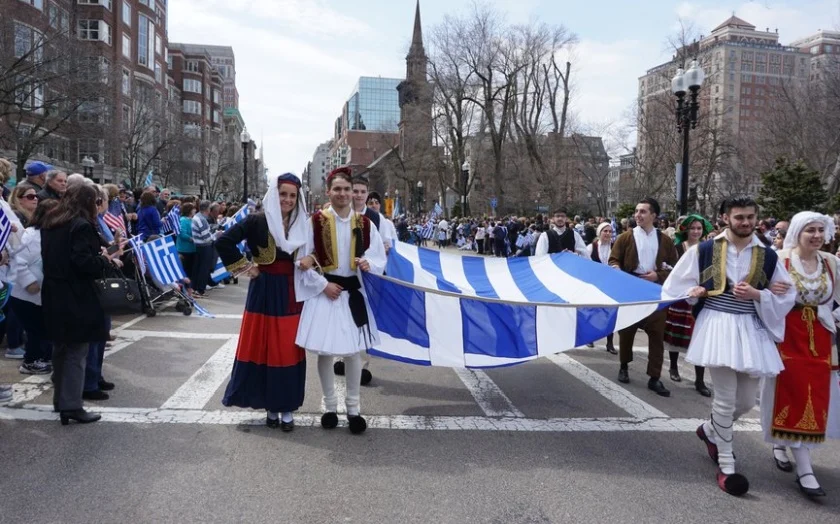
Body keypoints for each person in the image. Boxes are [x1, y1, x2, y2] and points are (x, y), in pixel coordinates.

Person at [662, 196, 795, 496]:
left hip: (752, 330)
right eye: (739, 217)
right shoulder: (703, 250)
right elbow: (673, 287)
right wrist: (694, 291)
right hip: (717, 325)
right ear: (725, 218)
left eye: (750, 217)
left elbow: (788, 295)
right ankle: (726, 465)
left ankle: (710, 430)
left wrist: (760, 295)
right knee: (724, 398)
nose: (745, 222)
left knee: (746, 401)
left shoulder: (768, 255)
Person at [295, 166, 387, 434]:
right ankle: (329, 405)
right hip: (326, 292)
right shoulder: (316, 221)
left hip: (353, 294)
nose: (343, 193)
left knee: (352, 352)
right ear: (329, 192)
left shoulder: (365, 223)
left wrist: (369, 263)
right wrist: (323, 285)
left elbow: (378, 256)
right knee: (325, 351)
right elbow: (303, 259)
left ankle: (354, 408)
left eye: (347, 189)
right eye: (337, 189)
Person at [217, 173, 312, 431]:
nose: (287, 200)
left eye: (292, 195)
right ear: (274, 194)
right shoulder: (257, 220)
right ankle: (270, 407)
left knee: (288, 349)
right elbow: (223, 241)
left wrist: (311, 260)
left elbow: (316, 253)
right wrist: (246, 267)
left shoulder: (304, 224)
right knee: (264, 347)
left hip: (292, 292)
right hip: (263, 292)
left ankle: (287, 408)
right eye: (283, 194)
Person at [760, 211, 840, 498]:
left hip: (820, 337)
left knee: (814, 396)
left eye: (820, 230)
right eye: (810, 230)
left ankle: (786, 446)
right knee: (790, 393)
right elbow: (758, 292)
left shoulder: (830, 263)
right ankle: (804, 468)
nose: (817, 235)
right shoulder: (779, 259)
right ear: (797, 232)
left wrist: (835, 316)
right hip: (786, 334)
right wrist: (769, 290)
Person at [41, 184, 124, 425]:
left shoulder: (51, 221)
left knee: (61, 348)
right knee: (77, 351)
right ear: (88, 202)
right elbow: (84, 263)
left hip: (53, 290)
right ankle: (72, 405)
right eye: (96, 201)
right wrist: (104, 259)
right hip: (76, 294)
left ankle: (61, 400)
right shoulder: (81, 225)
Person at [609, 197, 678, 397]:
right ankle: (624, 365)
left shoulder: (665, 240)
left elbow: (675, 268)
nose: (638, 215)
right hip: (631, 291)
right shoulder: (625, 237)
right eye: (637, 211)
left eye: (643, 211)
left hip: (655, 293)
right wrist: (616, 269)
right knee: (626, 331)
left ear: (654, 216)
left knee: (657, 335)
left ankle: (654, 377)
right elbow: (613, 260)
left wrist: (658, 275)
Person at [663, 214, 714, 397]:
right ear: (685, 230)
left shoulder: (707, 249)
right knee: (676, 333)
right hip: (680, 297)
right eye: (692, 228)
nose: (696, 231)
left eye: (699, 228)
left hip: (700, 298)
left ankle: (700, 380)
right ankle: (673, 367)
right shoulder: (678, 247)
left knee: (699, 336)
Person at [10, 200, 58, 375]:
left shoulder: (51, 234)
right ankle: (30, 361)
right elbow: (17, 261)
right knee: (36, 330)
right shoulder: (30, 235)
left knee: (44, 328)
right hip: (25, 295)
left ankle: (43, 358)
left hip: (41, 295)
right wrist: (30, 282)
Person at [587, 222, 617, 354]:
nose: (608, 234)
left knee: (611, 312)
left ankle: (610, 342)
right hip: (595, 284)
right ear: (599, 233)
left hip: (611, 284)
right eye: (605, 231)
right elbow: (585, 264)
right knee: (593, 311)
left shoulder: (615, 247)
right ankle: (590, 337)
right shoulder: (591, 247)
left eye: (610, 231)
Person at [191, 200, 216, 297]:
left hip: (198, 246)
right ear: (207, 209)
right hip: (204, 246)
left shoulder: (197, 216)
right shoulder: (202, 219)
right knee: (204, 269)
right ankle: (200, 290)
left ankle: (194, 288)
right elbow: (207, 238)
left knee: (198, 268)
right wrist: (216, 235)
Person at [177, 202, 197, 283]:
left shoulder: (192, 220)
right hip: (185, 249)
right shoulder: (183, 220)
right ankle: (187, 286)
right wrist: (191, 239)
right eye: (193, 209)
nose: (195, 210)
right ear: (189, 210)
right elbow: (182, 234)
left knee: (191, 269)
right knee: (186, 269)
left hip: (192, 249)